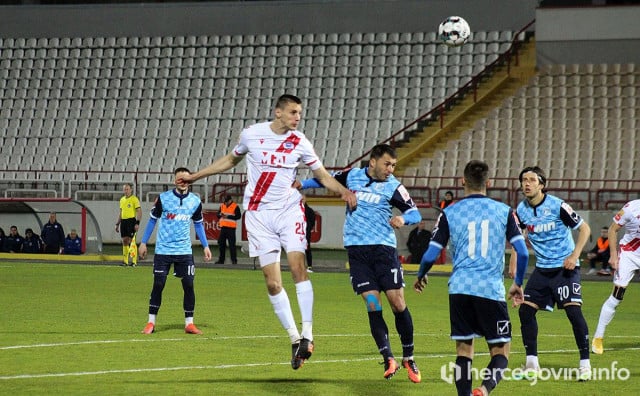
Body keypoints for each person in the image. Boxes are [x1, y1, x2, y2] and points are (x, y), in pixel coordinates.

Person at [178, 94, 357, 370]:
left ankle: (308, 332)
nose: (298, 117)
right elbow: (229, 160)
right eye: (294, 112)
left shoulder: (300, 141)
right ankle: (295, 338)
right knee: (273, 283)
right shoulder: (252, 134)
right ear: (278, 113)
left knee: (298, 268)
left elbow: (321, 175)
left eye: (300, 113)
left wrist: (343, 191)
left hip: (288, 210)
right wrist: (195, 176)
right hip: (258, 215)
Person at [299, 144, 423, 383]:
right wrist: (301, 185)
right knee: (373, 303)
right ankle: (388, 357)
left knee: (397, 303)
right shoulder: (352, 175)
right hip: (357, 252)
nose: (390, 169)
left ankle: (409, 356)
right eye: (387, 164)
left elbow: (415, 213)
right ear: (373, 161)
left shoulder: (394, 186)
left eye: (394, 165)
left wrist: (402, 218)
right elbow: (323, 179)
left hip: (384, 251)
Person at [414, 159, 529, 396]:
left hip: (460, 288)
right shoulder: (505, 212)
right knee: (501, 353)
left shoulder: (449, 212)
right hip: (490, 289)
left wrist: (421, 274)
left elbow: (430, 254)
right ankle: (484, 390)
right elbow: (524, 252)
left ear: (462, 181)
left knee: (464, 351)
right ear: (489, 183)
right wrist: (517, 283)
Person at [509, 166, 592, 381]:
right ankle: (532, 365)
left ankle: (585, 364)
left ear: (541, 184)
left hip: (565, 269)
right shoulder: (521, 210)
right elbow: (518, 237)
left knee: (574, 313)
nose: (526, 184)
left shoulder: (558, 206)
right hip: (542, 270)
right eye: (524, 180)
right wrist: (513, 259)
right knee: (525, 312)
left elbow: (585, 229)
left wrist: (574, 255)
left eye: (531, 180)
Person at [138, 167, 212, 335]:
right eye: (180, 179)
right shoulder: (163, 199)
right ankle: (151, 322)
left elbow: (199, 224)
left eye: (187, 179)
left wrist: (206, 245)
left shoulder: (195, 201)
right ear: (175, 181)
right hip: (163, 250)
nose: (183, 182)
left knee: (188, 285)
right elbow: (152, 221)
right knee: (158, 284)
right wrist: (143, 243)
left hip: (184, 251)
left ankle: (189, 323)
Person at [592, 199, 640, 355]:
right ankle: (598, 337)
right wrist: (613, 255)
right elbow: (612, 229)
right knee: (617, 297)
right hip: (629, 254)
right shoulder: (631, 208)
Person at [116, 183, 142, 266]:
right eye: (125, 189)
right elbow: (121, 212)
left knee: (131, 241)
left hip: (131, 221)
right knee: (124, 241)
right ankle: (125, 261)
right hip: (123, 222)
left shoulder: (134, 199)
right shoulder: (122, 200)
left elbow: (139, 211)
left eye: (127, 189)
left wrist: (137, 223)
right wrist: (117, 223)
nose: (126, 191)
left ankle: (134, 261)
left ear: (131, 190)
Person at [214, 194, 241, 265]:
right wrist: (220, 215)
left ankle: (234, 261)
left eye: (227, 201)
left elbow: (238, 216)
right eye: (225, 201)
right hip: (223, 228)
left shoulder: (235, 206)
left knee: (232, 245)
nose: (225, 203)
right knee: (221, 244)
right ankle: (221, 260)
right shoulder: (222, 205)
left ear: (230, 200)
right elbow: (217, 215)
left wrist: (228, 216)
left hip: (231, 229)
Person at [302, 196, 316, 272]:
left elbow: (312, 220)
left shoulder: (309, 211)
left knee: (307, 249)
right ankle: (300, 266)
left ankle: (309, 266)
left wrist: (309, 228)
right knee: (298, 250)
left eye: (303, 199)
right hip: (299, 233)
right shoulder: (296, 210)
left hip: (306, 232)